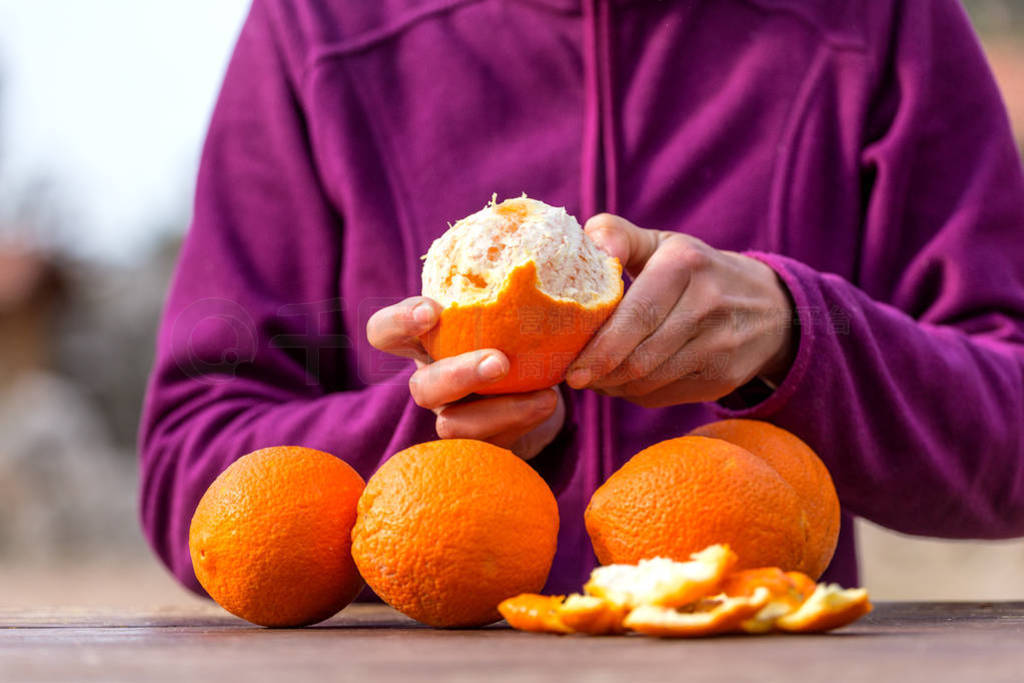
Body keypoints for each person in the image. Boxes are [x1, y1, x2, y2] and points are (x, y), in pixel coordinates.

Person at [140, 0, 1024, 597]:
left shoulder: (881, 18)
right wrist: (443, 435)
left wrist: (802, 334)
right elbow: (193, 477)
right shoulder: (317, 23)